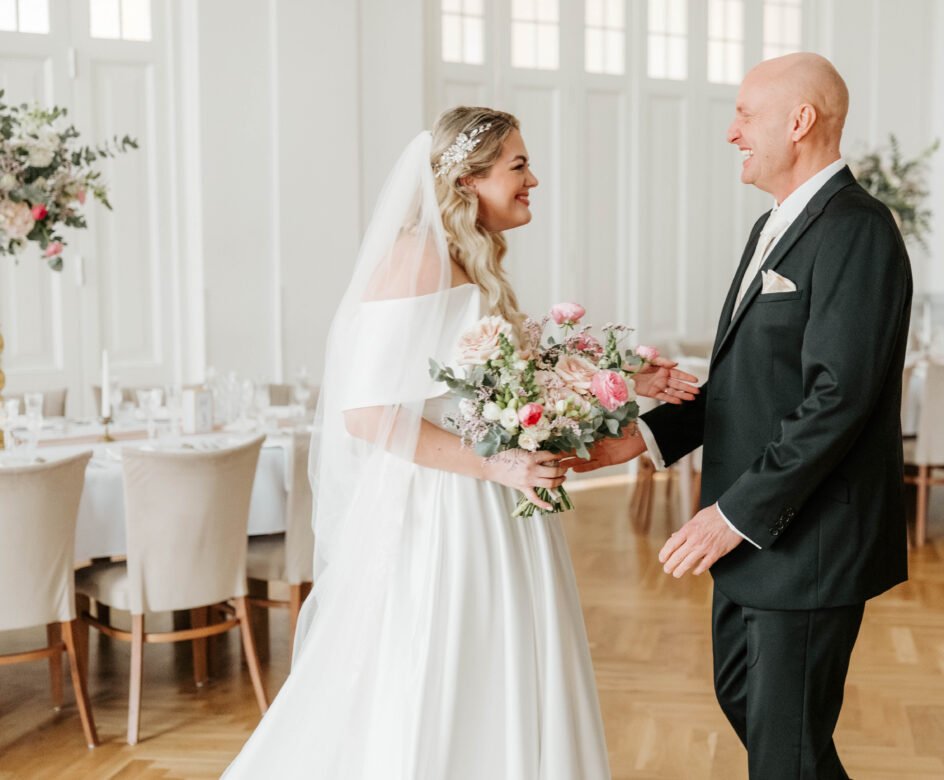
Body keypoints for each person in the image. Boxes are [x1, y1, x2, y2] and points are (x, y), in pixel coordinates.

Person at [223, 106, 697, 779]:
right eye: (519, 166)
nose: (533, 180)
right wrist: (498, 466)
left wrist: (624, 378)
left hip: (494, 498)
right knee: (447, 668)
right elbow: (367, 414)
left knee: (506, 665)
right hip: (446, 509)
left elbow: (504, 382)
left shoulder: (466, 257)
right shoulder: (417, 258)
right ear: (469, 180)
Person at [569, 54, 913, 779]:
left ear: (800, 121)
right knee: (752, 711)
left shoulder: (857, 228)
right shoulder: (771, 225)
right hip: (755, 536)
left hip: (807, 538)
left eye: (745, 115)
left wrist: (731, 515)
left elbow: (838, 398)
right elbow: (745, 385)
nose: (731, 133)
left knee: (784, 751)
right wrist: (639, 439)